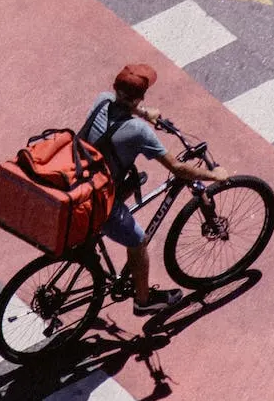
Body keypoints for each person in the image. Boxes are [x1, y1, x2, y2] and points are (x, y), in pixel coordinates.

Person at [83, 63, 228, 315]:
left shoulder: (102, 100)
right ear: (140, 96)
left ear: (115, 87)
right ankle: (143, 300)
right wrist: (214, 175)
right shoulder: (138, 132)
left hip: (78, 178)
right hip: (98, 198)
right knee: (138, 241)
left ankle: (90, 237)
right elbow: (178, 169)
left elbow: (123, 106)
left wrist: (142, 112)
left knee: (137, 178)